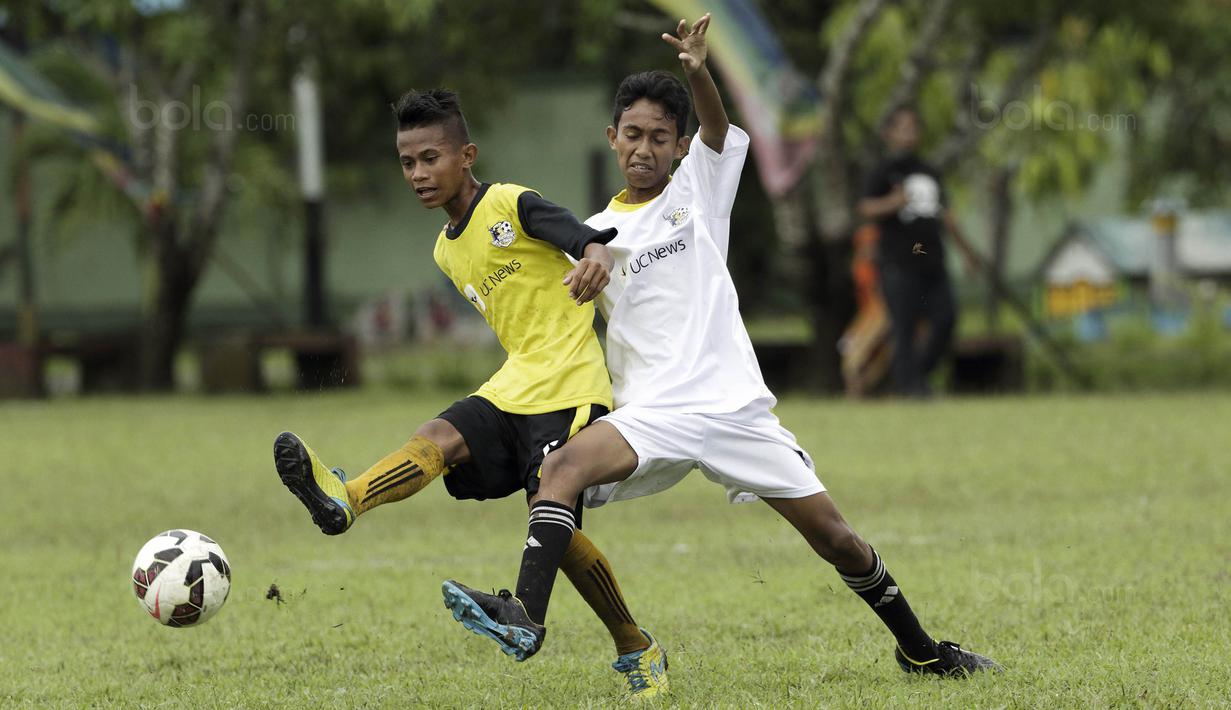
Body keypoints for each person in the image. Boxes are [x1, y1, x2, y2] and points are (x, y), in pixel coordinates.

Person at [441, 14, 999, 682]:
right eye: (632, 135)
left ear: (677, 146)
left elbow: (714, 128)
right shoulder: (592, 232)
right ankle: (525, 615)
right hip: (652, 413)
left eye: (658, 137)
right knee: (557, 473)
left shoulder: (695, 192)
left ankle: (921, 652)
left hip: (734, 407)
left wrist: (698, 70)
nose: (643, 149)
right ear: (611, 138)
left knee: (836, 539)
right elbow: (536, 294)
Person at [272, 89, 665, 697]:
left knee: (554, 530)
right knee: (437, 438)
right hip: (513, 386)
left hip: (570, 386)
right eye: (408, 163)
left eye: (431, 158)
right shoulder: (444, 249)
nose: (419, 174)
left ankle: (631, 645)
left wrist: (592, 256)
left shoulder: (510, 202)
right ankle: (345, 499)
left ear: (467, 155)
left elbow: (586, 235)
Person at [857, 106, 977, 397]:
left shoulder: (929, 172)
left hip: (932, 260)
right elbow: (865, 207)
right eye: (903, 127)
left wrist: (967, 252)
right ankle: (911, 388)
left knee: (945, 319)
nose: (910, 133)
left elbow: (947, 216)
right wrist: (892, 203)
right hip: (899, 262)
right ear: (889, 134)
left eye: (914, 127)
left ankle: (918, 376)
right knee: (904, 327)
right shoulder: (884, 171)